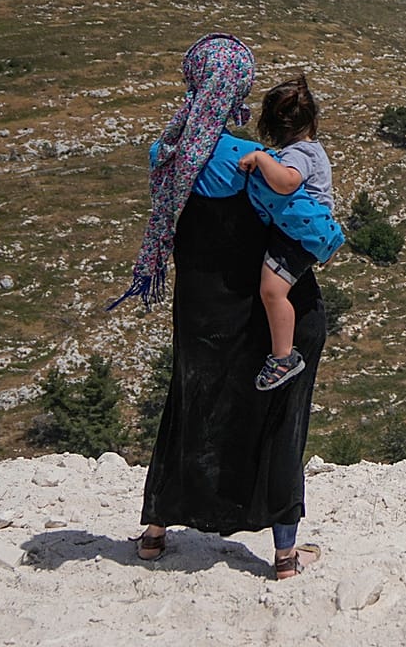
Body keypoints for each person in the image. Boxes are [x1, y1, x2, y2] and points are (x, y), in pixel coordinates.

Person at [112, 33, 327, 579]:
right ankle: (283, 553)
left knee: (188, 409)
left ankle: (156, 532)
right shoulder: (253, 159)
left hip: (201, 316)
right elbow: (300, 221)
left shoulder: (168, 157)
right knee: (280, 422)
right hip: (271, 315)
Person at [237, 74, 336, 392]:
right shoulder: (312, 147)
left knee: (272, 292)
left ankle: (283, 357)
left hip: (298, 236)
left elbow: (288, 182)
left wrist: (262, 158)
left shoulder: (298, 155)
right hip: (304, 232)